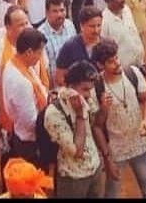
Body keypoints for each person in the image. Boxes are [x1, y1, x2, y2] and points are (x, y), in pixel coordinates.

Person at [90, 39, 146, 198]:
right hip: (115, 150)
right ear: (100, 65)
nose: (117, 63)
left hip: (139, 143)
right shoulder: (96, 87)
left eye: (116, 58)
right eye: (110, 62)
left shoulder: (132, 73)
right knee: (112, 193)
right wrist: (104, 109)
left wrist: (145, 120)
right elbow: (97, 127)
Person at [43, 59, 105, 197]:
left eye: (91, 89)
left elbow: (96, 124)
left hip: (94, 168)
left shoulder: (87, 98)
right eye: (85, 89)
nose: (89, 94)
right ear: (70, 87)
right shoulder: (54, 113)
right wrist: (79, 116)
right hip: (73, 178)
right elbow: (77, 152)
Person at [1, 27, 51, 163]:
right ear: (29, 52)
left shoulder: (15, 63)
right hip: (30, 141)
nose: (40, 57)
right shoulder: (21, 82)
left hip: (24, 133)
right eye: (39, 53)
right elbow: (30, 121)